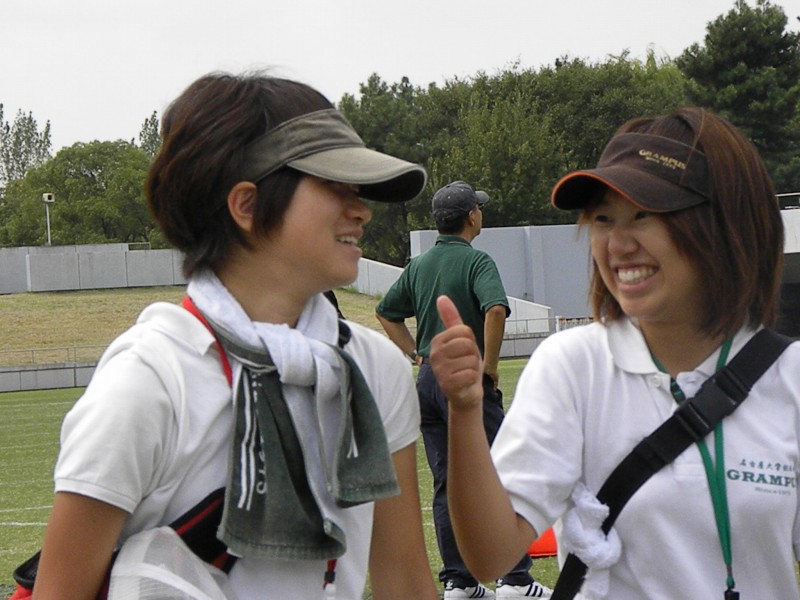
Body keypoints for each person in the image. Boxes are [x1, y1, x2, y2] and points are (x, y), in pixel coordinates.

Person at [30, 72, 439, 600]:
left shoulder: (375, 368)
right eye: (335, 187)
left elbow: (404, 582)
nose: (360, 210)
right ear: (246, 205)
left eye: (358, 192)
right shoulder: (149, 382)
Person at [430, 107, 800, 599]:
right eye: (603, 219)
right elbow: (491, 555)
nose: (618, 244)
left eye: (644, 215)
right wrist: (464, 412)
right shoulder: (572, 366)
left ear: (724, 224)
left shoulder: (789, 377)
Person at [376, 181, 552, 599]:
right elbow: (495, 309)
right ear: (472, 216)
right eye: (479, 208)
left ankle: (459, 582)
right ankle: (514, 579)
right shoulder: (477, 260)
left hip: (428, 381)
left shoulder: (419, 265)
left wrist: (417, 354)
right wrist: (488, 367)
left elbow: (386, 312)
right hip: (467, 379)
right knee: (503, 470)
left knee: (445, 481)